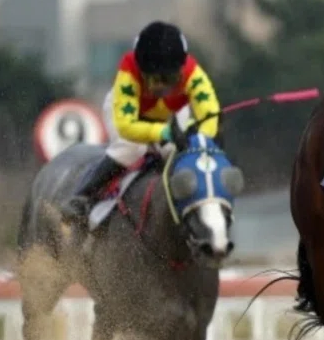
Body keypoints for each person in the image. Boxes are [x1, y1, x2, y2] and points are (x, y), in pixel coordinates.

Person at [60, 21, 221, 223]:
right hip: (130, 116)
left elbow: (210, 114)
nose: (162, 87)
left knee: (181, 151)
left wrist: (199, 139)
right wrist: (163, 133)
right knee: (131, 149)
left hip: (170, 113)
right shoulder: (128, 72)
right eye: (154, 79)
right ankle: (82, 196)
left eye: (169, 79)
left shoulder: (193, 73)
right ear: (142, 70)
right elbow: (126, 126)